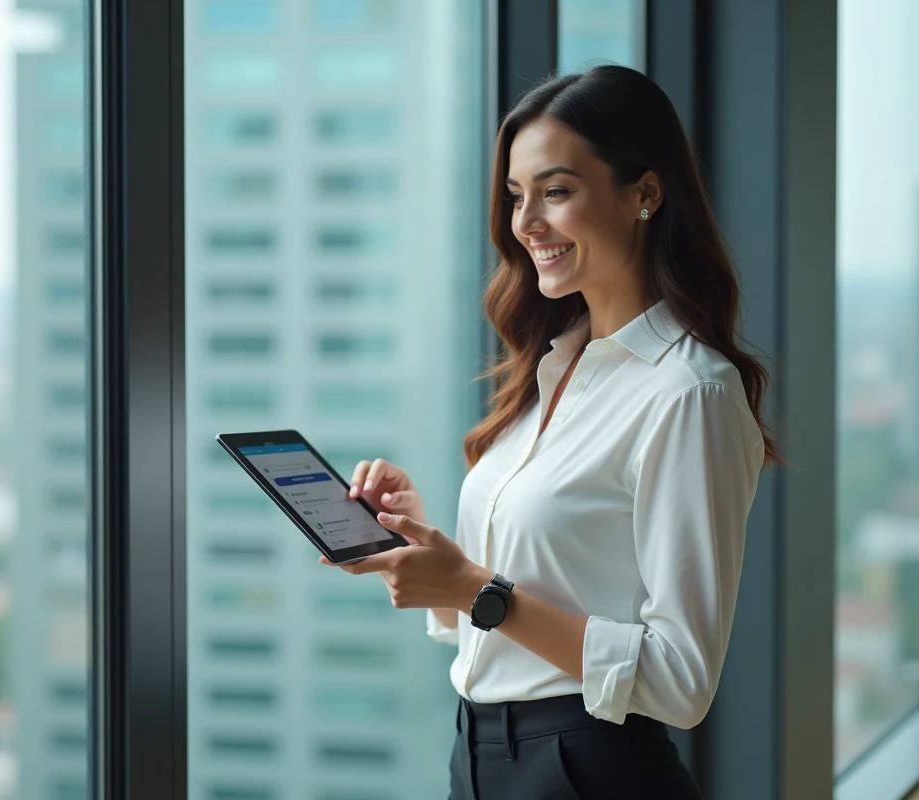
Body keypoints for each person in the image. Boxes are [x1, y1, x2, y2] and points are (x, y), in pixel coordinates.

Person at [321, 65, 775, 799]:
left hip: (589, 769)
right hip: (477, 757)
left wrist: (474, 589)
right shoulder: (554, 367)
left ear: (645, 194)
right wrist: (428, 551)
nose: (525, 221)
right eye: (515, 196)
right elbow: (530, 595)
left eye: (556, 191)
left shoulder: (688, 392)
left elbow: (682, 681)